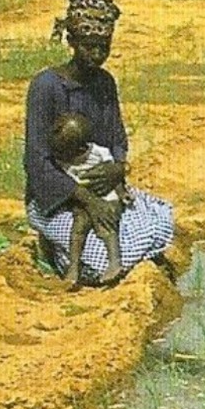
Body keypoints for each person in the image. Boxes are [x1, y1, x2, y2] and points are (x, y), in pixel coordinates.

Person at [24, 0, 176, 285]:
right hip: (59, 195)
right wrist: (84, 198)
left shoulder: (105, 83)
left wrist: (118, 168)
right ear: (71, 41)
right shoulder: (46, 86)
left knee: (161, 223)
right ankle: (57, 249)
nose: (96, 55)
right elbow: (36, 161)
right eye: (88, 47)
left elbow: (117, 138)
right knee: (96, 260)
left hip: (102, 185)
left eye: (103, 48)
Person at [48, 111, 126, 288]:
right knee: (78, 228)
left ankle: (115, 262)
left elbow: (113, 176)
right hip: (83, 201)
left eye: (65, 153)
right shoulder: (63, 160)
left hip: (105, 195)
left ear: (80, 148)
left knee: (105, 225)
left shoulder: (99, 153)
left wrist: (121, 193)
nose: (62, 157)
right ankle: (73, 268)